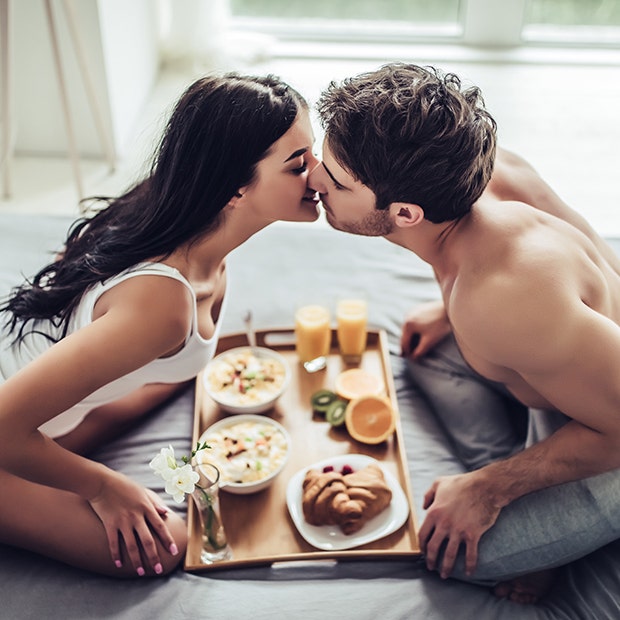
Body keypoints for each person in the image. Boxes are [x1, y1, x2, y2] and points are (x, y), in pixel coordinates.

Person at [309, 62, 620, 603]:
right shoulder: (480, 169)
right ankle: (517, 486)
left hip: (608, 435)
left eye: (336, 181)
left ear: (404, 212)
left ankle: (543, 522)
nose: (313, 178)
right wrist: (449, 309)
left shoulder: (503, 298)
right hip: (569, 363)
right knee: (421, 348)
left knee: (450, 554)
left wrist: (489, 487)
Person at [0, 73, 320, 578]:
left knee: (189, 380)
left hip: (40, 409)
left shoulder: (171, 209)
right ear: (235, 187)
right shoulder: (161, 303)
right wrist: (106, 486)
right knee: (168, 544)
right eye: (299, 165)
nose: (320, 176)